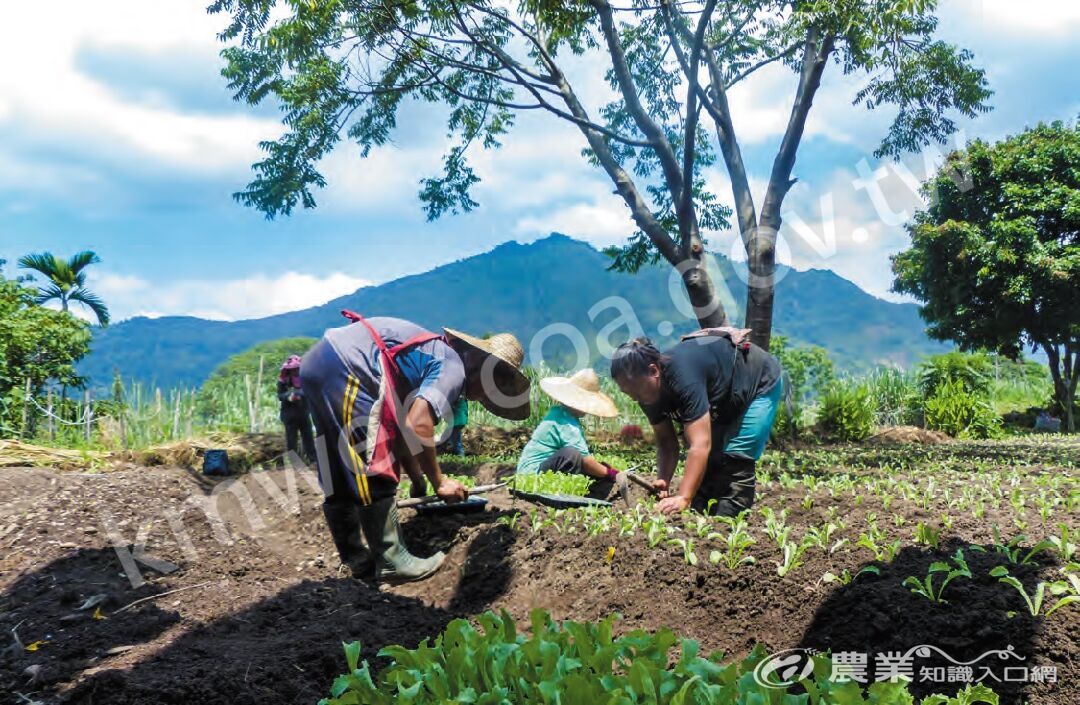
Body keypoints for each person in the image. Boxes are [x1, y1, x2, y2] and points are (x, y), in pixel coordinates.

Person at [301, 313, 530, 583]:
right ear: (486, 368)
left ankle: (356, 559)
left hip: (320, 362)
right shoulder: (452, 366)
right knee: (374, 461)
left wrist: (419, 480)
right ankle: (392, 561)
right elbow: (419, 423)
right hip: (346, 365)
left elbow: (403, 429)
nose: (482, 398)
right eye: (491, 389)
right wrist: (440, 481)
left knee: (336, 465)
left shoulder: (433, 356)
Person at [610, 329, 782, 517]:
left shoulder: (683, 376)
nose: (634, 398)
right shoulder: (646, 393)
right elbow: (667, 443)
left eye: (635, 389)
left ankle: (733, 519)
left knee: (735, 459)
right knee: (711, 464)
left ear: (653, 371)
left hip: (758, 381)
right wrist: (663, 478)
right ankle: (702, 515)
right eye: (628, 393)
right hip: (723, 396)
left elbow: (700, 445)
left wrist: (683, 497)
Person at [516, 369, 625, 493]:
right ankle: (559, 491)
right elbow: (586, 462)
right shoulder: (567, 424)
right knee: (571, 455)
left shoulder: (558, 412)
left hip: (530, 472)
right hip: (532, 475)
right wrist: (611, 473)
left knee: (584, 462)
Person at [277, 355, 315, 461]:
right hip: (289, 415)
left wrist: (300, 394)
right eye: (293, 369)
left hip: (303, 412)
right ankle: (295, 462)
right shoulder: (283, 381)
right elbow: (280, 395)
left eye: (297, 369)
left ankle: (312, 459)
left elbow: (310, 392)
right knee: (291, 439)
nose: (295, 371)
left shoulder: (305, 379)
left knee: (308, 437)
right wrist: (288, 396)